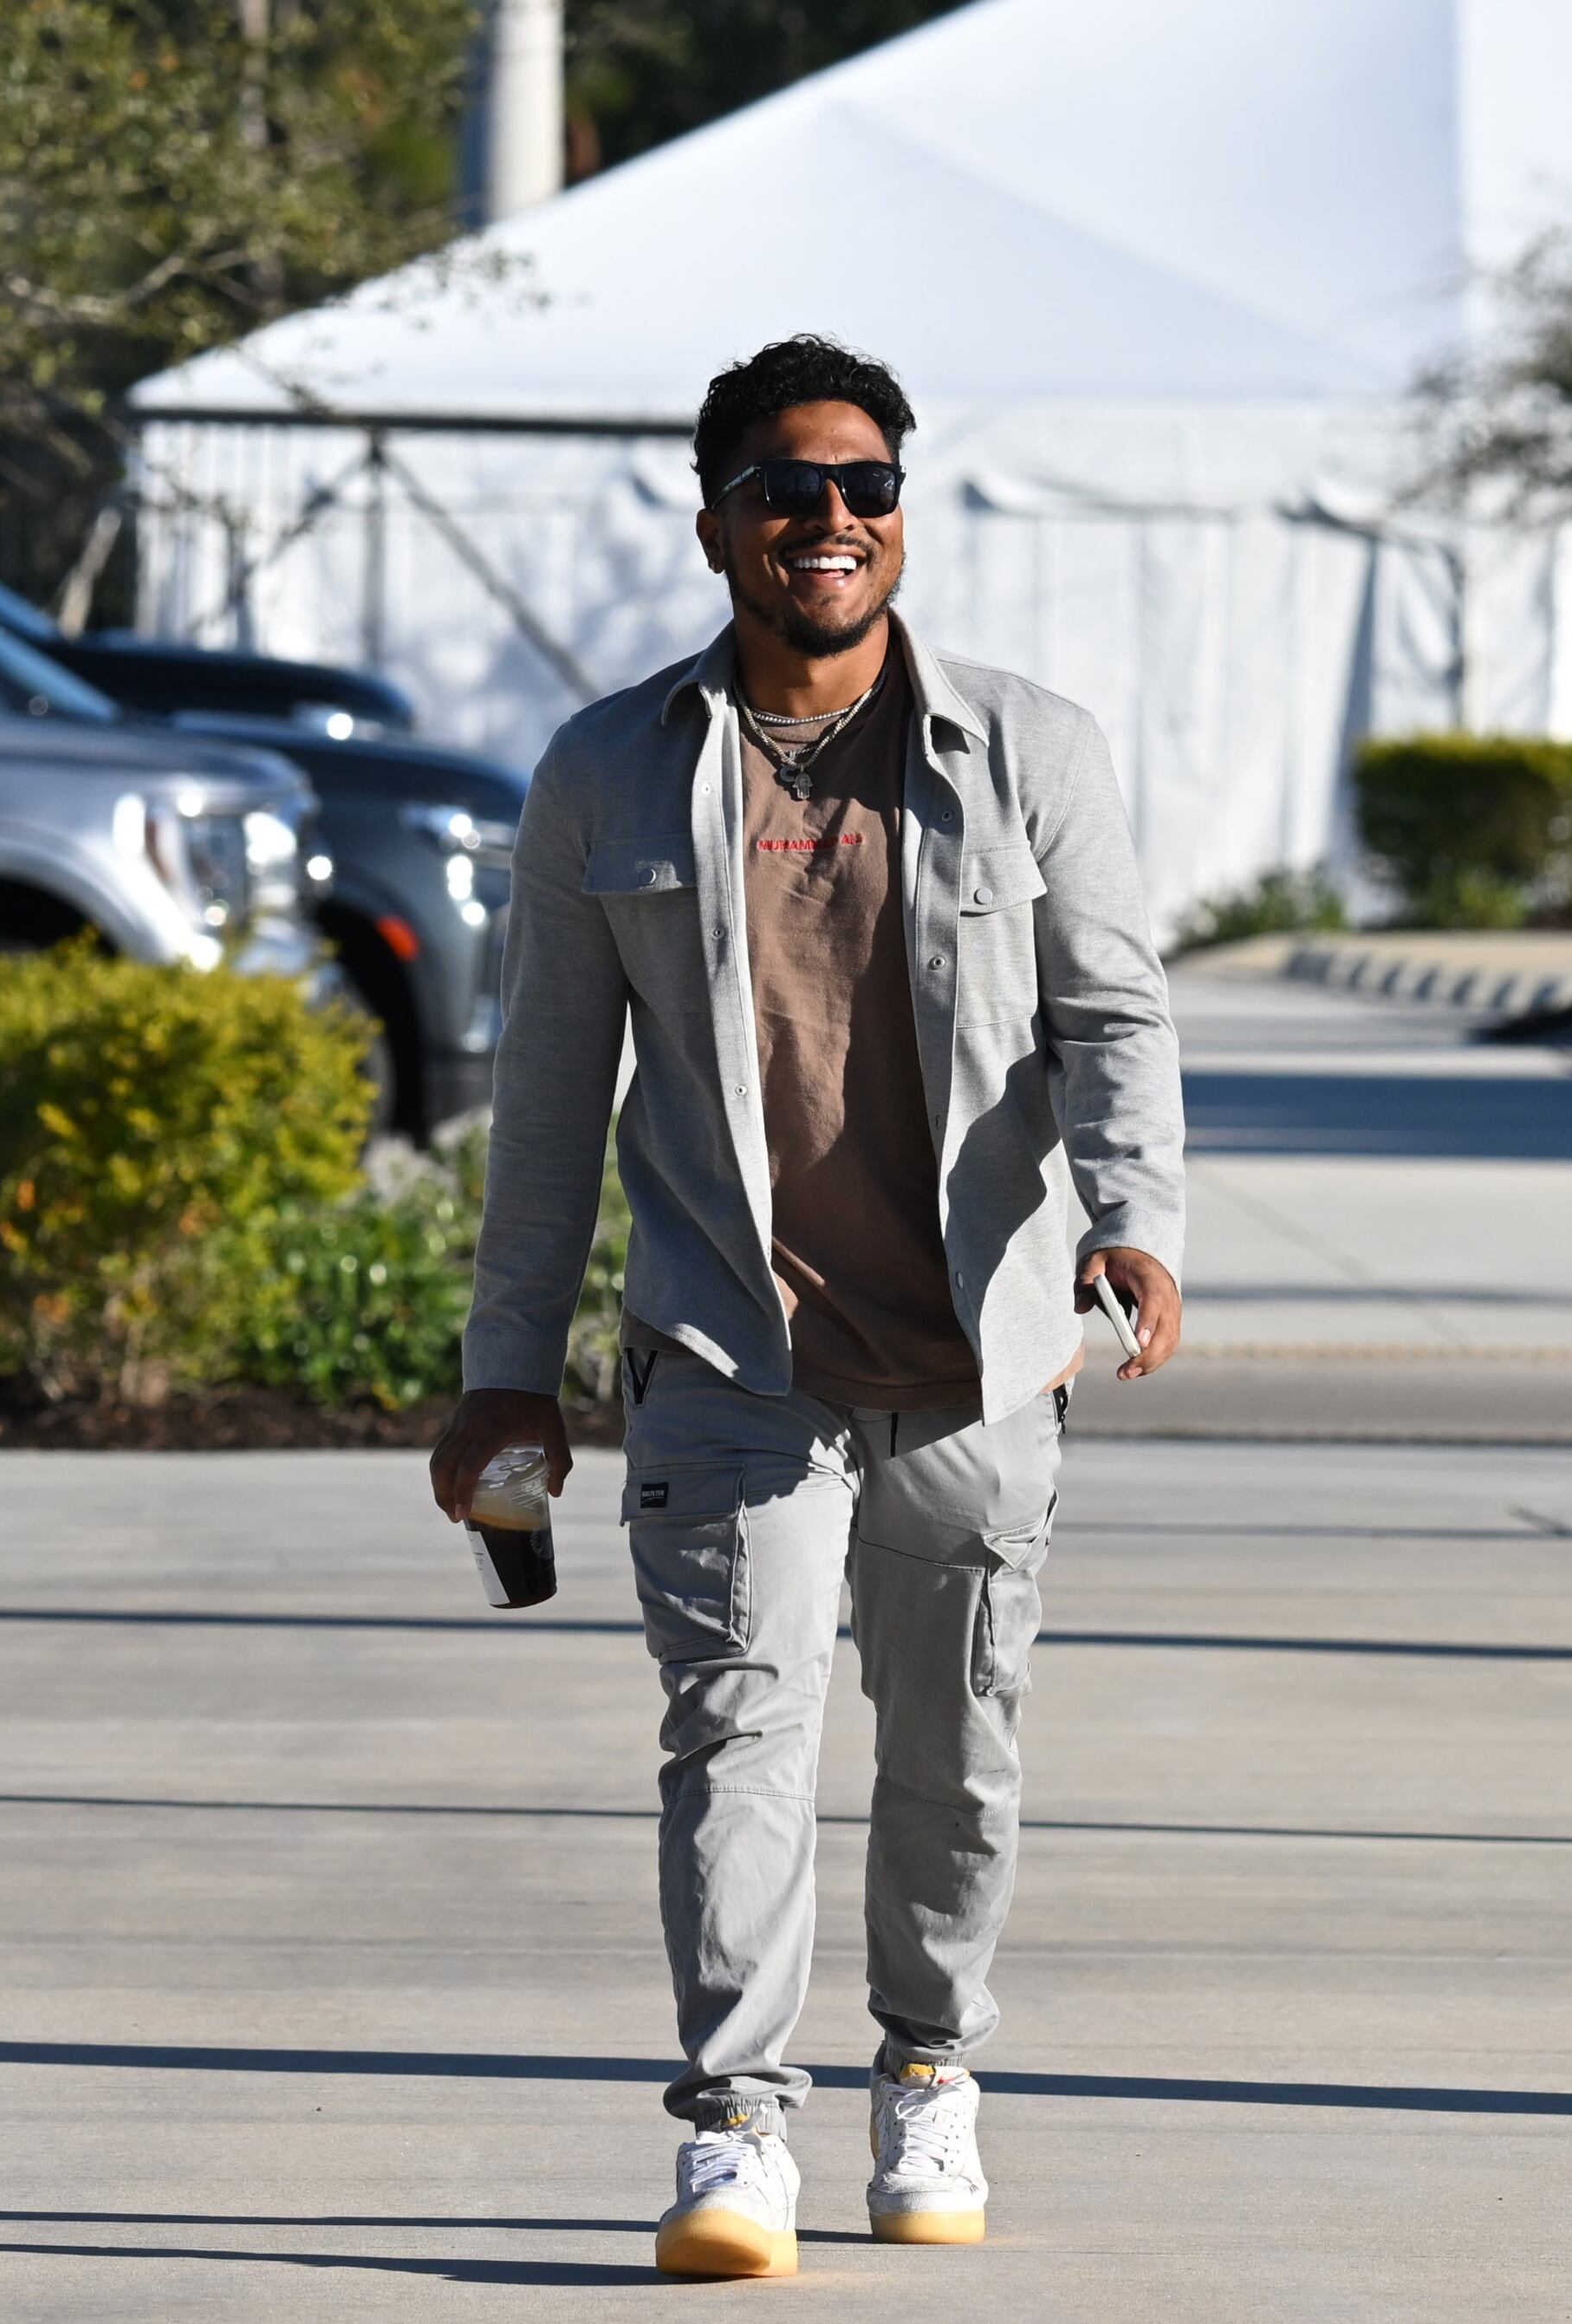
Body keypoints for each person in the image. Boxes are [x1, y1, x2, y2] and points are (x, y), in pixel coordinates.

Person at [429, 335, 1185, 2281]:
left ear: (901, 517)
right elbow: (546, 1102)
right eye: (786, 489)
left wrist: (1134, 1216)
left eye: (864, 486)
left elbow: (1110, 1011)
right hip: (730, 1351)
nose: (829, 519)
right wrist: (504, 1372)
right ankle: (733, 2126)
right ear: (716, 523)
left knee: (955, 1752)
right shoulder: (609, 771)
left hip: (977, 1353)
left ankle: (928, 2069)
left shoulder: (1031, 748)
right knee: (738, 1732)